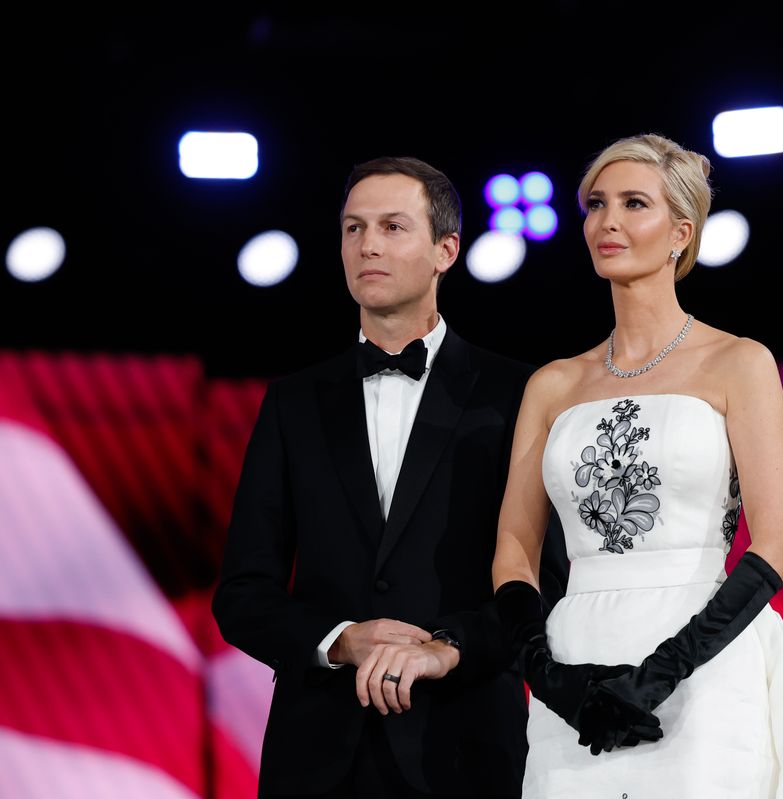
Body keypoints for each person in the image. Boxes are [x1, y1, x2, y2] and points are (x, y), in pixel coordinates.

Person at [491, 134, 783, 797]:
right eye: (597, 204)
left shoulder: (737, 363)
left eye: (635, 203)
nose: (609, 221)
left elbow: (779, 545)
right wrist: (551, 678)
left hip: (704, 659)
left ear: (680, 234)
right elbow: (513, 552)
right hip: (577, 663)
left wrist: (663, 672)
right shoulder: (553, 384)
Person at [213, 156, 567, 798]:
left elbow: (552, 578)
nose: (367, 244)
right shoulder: (293, 402)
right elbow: (242, 593)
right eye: (353, 229)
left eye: (392, 227)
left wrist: (448, 647)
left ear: (446, 249)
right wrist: (342, 640)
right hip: (316, 755)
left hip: (465, 748)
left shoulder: (519, 393)